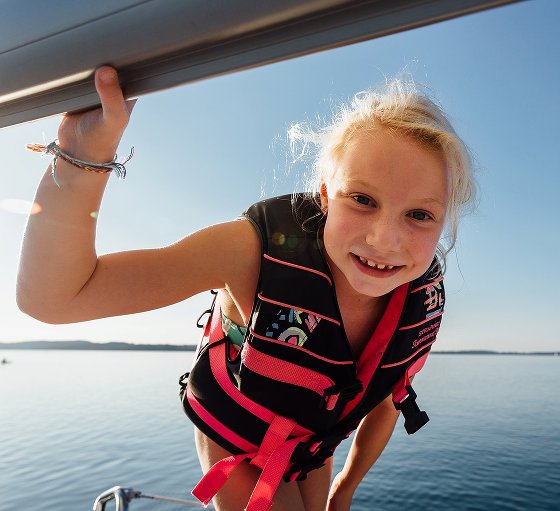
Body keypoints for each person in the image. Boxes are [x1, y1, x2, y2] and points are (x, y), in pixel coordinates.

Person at [16, 66, 476, 511]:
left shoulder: (417, 294)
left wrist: (345, 488)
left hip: (312, 445)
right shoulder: (252, 251)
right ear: (323, 196)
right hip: (240, 441)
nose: (384, 240)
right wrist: (83, 152)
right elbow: (55, 298)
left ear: (444, 224)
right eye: (361, 199)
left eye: (419, 215)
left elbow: (387, 397)